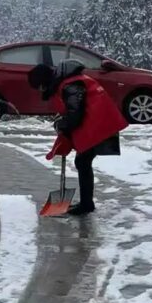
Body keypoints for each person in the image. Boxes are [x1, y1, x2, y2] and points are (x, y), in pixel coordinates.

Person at [27, 59, 128, 216]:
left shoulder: (70, 85)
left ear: (44, 81)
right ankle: (87, 203)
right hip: (99, 122)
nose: (40, 90)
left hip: (100, 123)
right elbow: (73, 110)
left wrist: (63, 124)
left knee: (83, 161)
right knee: (83, 161)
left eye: (39, 86)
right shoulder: (68, 83)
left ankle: (87, 205)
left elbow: (76, 113)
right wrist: (63, 121)